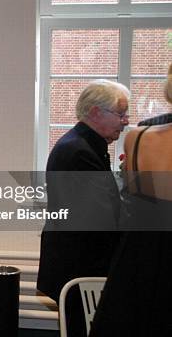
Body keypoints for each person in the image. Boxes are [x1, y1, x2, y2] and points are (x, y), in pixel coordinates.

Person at [37, 79, 129, 337]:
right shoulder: (79, 151)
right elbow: (101, 220)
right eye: (121, 114)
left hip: (77, 263)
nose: (125, 121)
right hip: (80, 267)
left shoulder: (84, 145)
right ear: (96, 112)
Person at [90, 64, 172, 336]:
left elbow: (136, 203)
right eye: (120, 113)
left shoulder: (138, 139)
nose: (126, 120)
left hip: (139, 263)